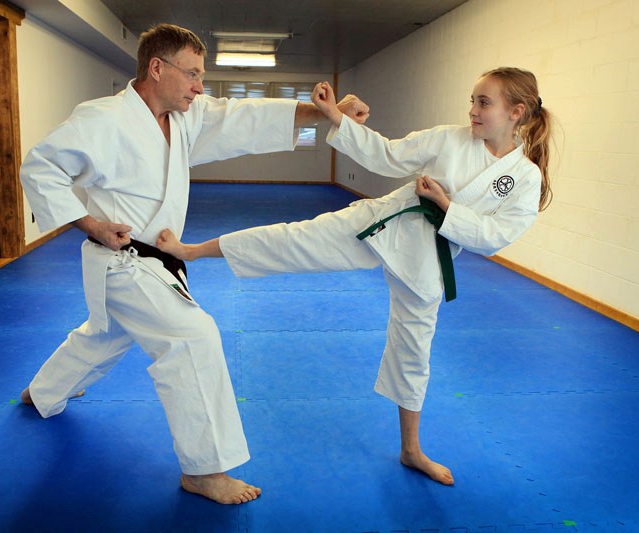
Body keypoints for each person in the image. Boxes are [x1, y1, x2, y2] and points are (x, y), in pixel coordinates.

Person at [18, 23, 368, 505]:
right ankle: (204, 471)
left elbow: (242, 118)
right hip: (123, 261)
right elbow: (40, 167)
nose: (200, 87)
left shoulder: (184, 117)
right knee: (193, 337)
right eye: (193, 75)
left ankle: (42, 393)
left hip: (156, 262)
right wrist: (92, 224)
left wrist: (325, 114)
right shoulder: (102, 119)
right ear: (157, 68)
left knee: (106, 334)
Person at [156, 67, 553, 486]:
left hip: (426, 259)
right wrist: (336, 118)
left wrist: (446, 207)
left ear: (516, 112)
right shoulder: (448, 138)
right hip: (381, 224)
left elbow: (495, 235)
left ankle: (412, 450)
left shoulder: (524, 177)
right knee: (294, 239)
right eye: (472, 100)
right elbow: (387, 154)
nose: (472, 111)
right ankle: (194, 251)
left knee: (414, 351)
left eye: (483, 103)